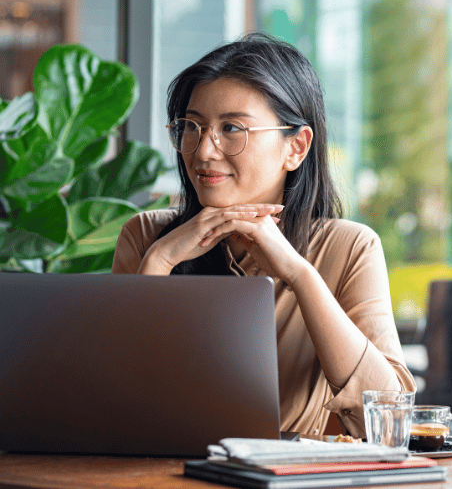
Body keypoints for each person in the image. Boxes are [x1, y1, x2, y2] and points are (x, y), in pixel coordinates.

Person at [112, 32, 415, 438]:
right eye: (192, 126)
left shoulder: (350, 247)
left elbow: (390, 419)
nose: (203, 151)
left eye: (232, 128)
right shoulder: (147, 236)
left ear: (296, 147)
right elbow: (114, 403)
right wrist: (159, 262)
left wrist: (300, 274)